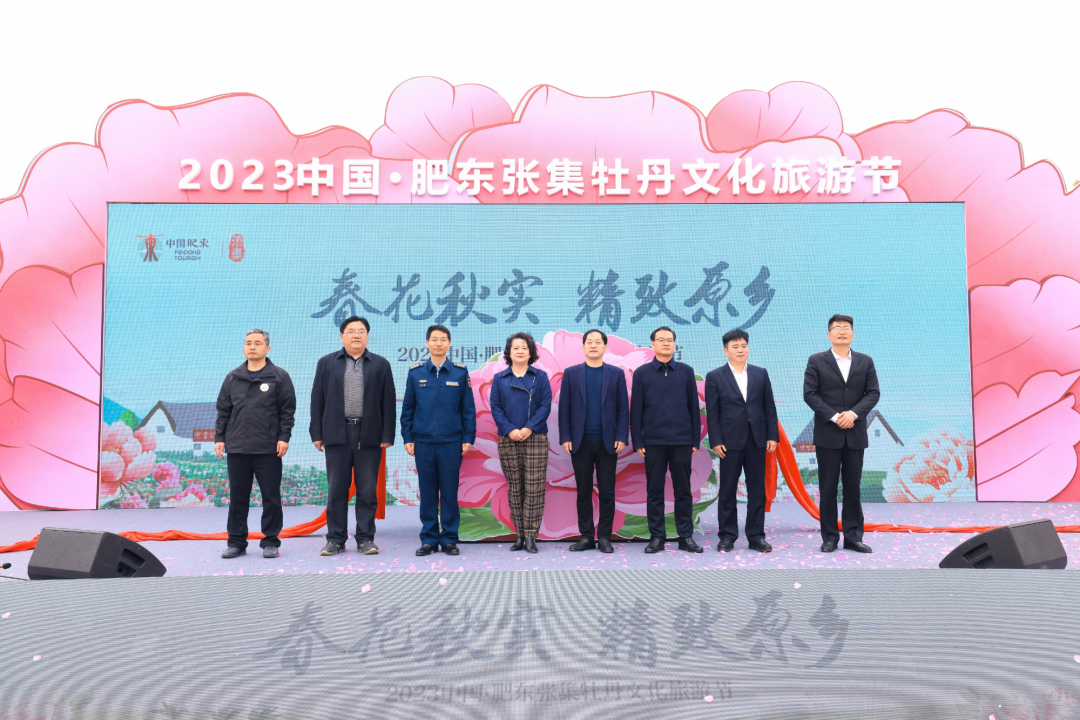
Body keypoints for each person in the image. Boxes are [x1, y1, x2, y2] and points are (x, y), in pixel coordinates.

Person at [310, 316, 396, 556]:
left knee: (367, 491)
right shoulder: (327, 363)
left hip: (369, 435)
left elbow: (388, 402)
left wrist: (388, 434)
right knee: (337, 490)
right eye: (351, 331)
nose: (356, 335)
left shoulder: (380, 364)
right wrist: (316, 433)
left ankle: (365, 539)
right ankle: (335, 539)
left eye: (361, 331)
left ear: (367, 335)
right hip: (336, 434)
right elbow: (317, 399)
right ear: (342, 336)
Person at [214, 329, 296, 559]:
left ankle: (270, 541)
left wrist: (284, 437)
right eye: (248, 343)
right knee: (238, 497)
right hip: (237, 447)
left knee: (270, 496)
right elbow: (223, 411)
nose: (252, 346)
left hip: (267, 447)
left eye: (257, 343)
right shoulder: (233, 377)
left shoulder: (279, 376)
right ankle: (236, 542)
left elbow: (287, 411)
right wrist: (220, 438)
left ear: (267, 348)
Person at [803, 314, 880, 554]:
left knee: (853, 487)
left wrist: (853, 414)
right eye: (837, 328)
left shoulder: (865, 361)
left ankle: (853, 537)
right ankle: (829, 537)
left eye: (847, 328)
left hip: (855, 434)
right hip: (828, 434)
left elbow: (873, 393)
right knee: (827, 488)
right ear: (829, 335)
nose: (842, 331)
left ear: (852, 334)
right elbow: (810, 394)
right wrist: (836, 416)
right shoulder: (816, 360)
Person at [400, 325, 476, 557]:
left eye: (443, 339)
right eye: (434, 339)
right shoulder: (416, 373)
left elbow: (468, 409)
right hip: (423, 443)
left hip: (451, 442)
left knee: (450, 493)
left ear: (449, 344)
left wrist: (468, 436)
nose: (438, 343)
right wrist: (408, 437)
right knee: (428, 492)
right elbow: (408, 409)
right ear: (427, 343)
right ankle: (429, 539)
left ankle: (450, 538)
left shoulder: (460, 373)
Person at [630, 327, 703, 554]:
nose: (665, 343)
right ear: (652, 344)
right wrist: (638, 441)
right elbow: (636, 410)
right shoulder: (642, 373)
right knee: (655, 491)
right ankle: (657, 537)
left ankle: (685, 536)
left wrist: (694, 440)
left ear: (674, 345)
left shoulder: (686, 371)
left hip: (682, 441)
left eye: (669, 340)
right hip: (653, 443)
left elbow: (694, 408)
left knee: (683, 491)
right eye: (661, 340)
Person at [705, 329, 779, 554]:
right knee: (728, 490)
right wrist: (716, 440)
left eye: (743, 346)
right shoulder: (715, 376)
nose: (740, 350)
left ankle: (756, 536)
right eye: (735, 347)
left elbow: (769, 407)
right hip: (729, 442)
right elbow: (712, 412)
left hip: (757, 440)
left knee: (757, 490)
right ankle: (727, 536)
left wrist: (772, 435)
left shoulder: (760, 373)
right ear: (725, 350)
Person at [558, 329, 629, 554]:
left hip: (608, 442)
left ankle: (605, 537)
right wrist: (565, 437)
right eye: (589, 342)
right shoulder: (571, 373)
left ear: (605, 347)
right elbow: (564, 408)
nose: (593, 345)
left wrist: (621, 436)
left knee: (607, 491)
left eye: (598, 342)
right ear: (583, 347)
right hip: (580, 442)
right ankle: (587, 536)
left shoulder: (616, 374)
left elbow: (623, 408)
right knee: (583, 491)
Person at [489, 332, 552, 554]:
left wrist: (528, 428)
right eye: (516, 347)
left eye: (524, 347)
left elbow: (545, 405)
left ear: (531, 352)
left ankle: (531, 536)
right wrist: (510, 430)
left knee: (534, 488)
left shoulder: (540, 376)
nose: (520, 351)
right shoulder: (500, 378)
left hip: (535, 437)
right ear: (509, 352)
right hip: (509, 438)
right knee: (515, 487)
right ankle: (519, 534)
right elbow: (495, 407)